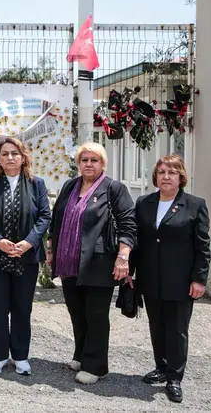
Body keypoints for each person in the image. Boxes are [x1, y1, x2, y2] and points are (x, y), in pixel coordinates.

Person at [49, 142, 136, 384]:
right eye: (84, 160)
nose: (88, 164)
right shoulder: (69, 186)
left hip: (99, 262)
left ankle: (96, 366)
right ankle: (81, 354)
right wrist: (51, 249)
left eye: (94, 160)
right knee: (77, 312)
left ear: (103, 164)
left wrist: (123, 257)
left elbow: (128, 225)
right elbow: (56, 220)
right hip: (69, 262)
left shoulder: (114, 189)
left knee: (96, 315)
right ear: (78, 164)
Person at [132, 155, 210, 403]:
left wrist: (199, 279)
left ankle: (175, 377)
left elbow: (203, 246)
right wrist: (130, 272)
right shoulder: (144, 202)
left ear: (181, 177)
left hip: (181, 280)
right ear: (156, 176)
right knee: (157, 327)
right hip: (150, 278)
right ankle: (162, 366)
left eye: (172, 172)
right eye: (162, 172)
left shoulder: (195, 205)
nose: (166, 176)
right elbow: (137, 241)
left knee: (177, 330)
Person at [0, 137, 51, 375]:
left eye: (14, 153)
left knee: (21, 307)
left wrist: (28, 243)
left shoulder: (36, 184)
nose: (9, 157)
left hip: (26, 257)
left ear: (23, 157)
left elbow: (44, 217)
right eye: (5, 153)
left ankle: (20, 356)